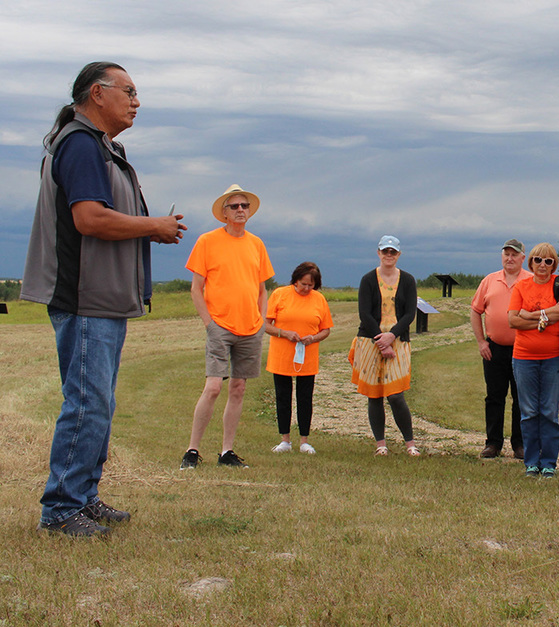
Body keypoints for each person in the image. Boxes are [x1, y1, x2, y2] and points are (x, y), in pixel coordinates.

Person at [23, 62, 186, 536]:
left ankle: (84, 496)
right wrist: (153, 225)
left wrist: (148, 230)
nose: (137, 102)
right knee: (86, 402)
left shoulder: (103, 149)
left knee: (99, 403)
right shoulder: (79, 144)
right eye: (130, 92)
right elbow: (90, 219)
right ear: (98, 93)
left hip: (105, 300)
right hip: (84, 298)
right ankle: (61, 509)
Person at [180, 185, 274, 470]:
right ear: (224, 213)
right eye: (234, 206)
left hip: (250, 328)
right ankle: (192, 451)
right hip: (219, 326)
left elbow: (262, 289)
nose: (241, 210)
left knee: (238, 388)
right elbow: (196, 288)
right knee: (212, 388)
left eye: (244, 206)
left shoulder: (256, 244)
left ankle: (227, 452)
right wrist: (209, 323)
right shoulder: (208, 241)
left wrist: (261, 321)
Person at [508, 243, 559, 478]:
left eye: (548, 261)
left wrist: (533, 315)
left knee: (549, 411)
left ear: (554, 264)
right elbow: (512, 321)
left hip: (555, 359)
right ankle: (531, 462)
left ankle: (548, 462)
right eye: (538, 260)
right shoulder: (521, 286)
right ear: (531, 263)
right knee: (528, 412)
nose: (543, 265)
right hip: (524, 358)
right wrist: (548, 317)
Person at [350, 236, 419, 456]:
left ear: (398, 255)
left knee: (396, 394)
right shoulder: (368, 279)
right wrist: (381, 339)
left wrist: (392, 336)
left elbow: (410, 313)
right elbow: (364, 313)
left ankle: (410, 444)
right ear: (378, 253)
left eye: (393, 252)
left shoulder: (407, 280)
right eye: (385, 251)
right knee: (375, 395)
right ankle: (381, 444)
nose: (389, 255)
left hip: (398, 340)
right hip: (371, 340)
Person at [470, 239, 532, 459]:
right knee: (494, 396)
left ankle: (520, 444)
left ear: (523, 258)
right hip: (493, 348)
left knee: (521, 398)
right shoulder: (489, 280)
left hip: (523, 349)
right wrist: (481, 341)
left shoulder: (531, 281)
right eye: (506, 254)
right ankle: (493, 443)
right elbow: (476, 311)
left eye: (514, 254)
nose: (510, 258)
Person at [263, 262, 333, 455]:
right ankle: (285, 440)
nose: (307, 289)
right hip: (282, 355)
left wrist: (313, 338)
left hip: (307, 358)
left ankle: (304, 440)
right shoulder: (279, 294)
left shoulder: (319, 299)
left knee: (305, 398)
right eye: (303, 284)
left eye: (311, 285)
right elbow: (265, 324)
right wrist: (283, 333)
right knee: (283, 396)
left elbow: (326, 329)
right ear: (295, 280)